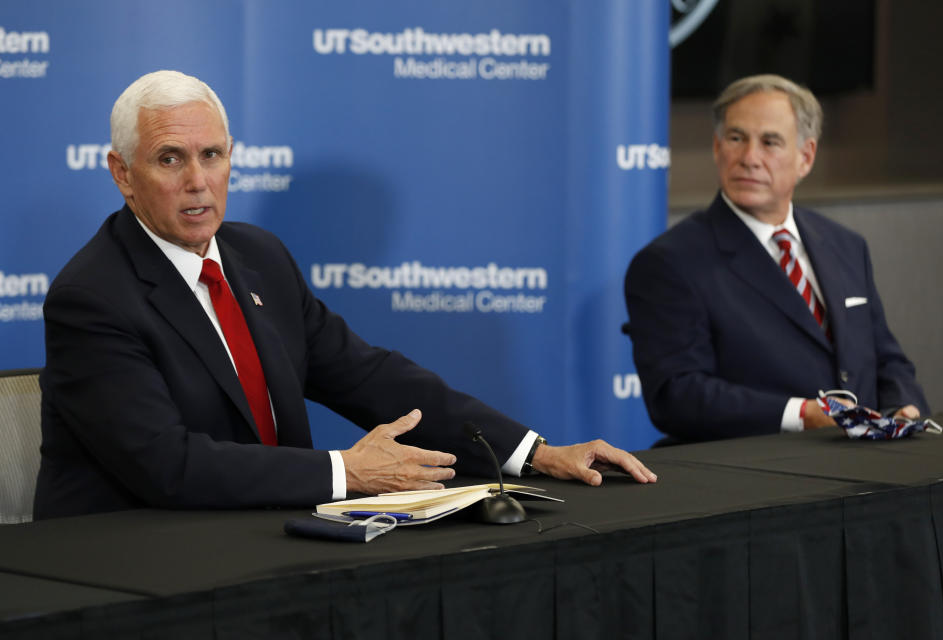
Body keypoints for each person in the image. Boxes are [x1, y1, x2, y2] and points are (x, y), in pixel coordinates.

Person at [34, 70, 656, 519]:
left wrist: (533, 452)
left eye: (212, 155)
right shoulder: (92, 298)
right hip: (130, 552)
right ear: (122, 174)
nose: (198, 182)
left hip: (261, 524)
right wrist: (344, 472)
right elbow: (165, 465)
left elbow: (368, 376)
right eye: (170, 159)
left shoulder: (258, 256)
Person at [624, 74, 929, 443]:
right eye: (736, 139)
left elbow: (885, 358)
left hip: (867, 469)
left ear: (806, 157)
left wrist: (903, 406)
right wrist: (801, 415)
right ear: (718, 148)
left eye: (770, 142)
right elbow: (678, 396)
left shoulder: (846, 246)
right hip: (756, 476)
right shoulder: (669, 262)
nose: (750, 158)